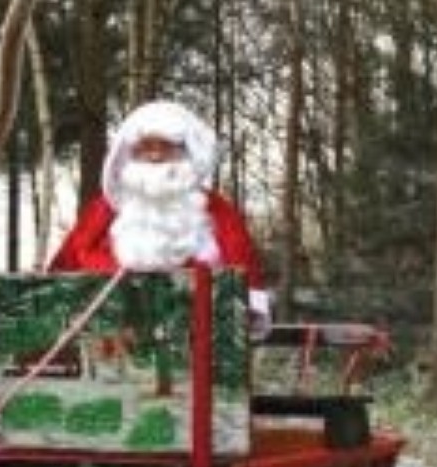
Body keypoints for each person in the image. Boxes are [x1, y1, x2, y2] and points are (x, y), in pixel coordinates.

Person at [49, 99, 271, 332]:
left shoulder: (218, 212)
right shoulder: (101, 214)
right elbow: (59, 280)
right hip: (111, 341)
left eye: (167, 146)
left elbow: (246, 282)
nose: (155, 156)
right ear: (129, 153)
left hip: (199, 340)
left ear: (187, 152)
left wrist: (250, 316)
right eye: (146, 146)